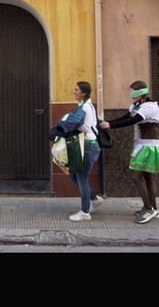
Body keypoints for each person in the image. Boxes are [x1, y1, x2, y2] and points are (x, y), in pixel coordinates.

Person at [99, 80, 159, 224]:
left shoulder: (149, 107)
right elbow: (126, 117)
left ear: (141, 93)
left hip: (149, 146)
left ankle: (149, 209)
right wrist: (108, 123)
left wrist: (111, 125)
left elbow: (133, 120)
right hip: (141, 145)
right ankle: (152, 209)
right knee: (148, 177)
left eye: (133, 92)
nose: (131, 95)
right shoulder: (137, 106)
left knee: (136, 177)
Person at [66, 81, 105, 222]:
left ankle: (84, 212)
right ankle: (94, 199)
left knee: (82, 179)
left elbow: (87, 127)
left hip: (88, 146)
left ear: (83, 92)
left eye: (76, 90)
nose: (74, 91)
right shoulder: (84, 106)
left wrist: (71, 127)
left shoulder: (86, 108)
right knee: (73, 176)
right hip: (87, 145)